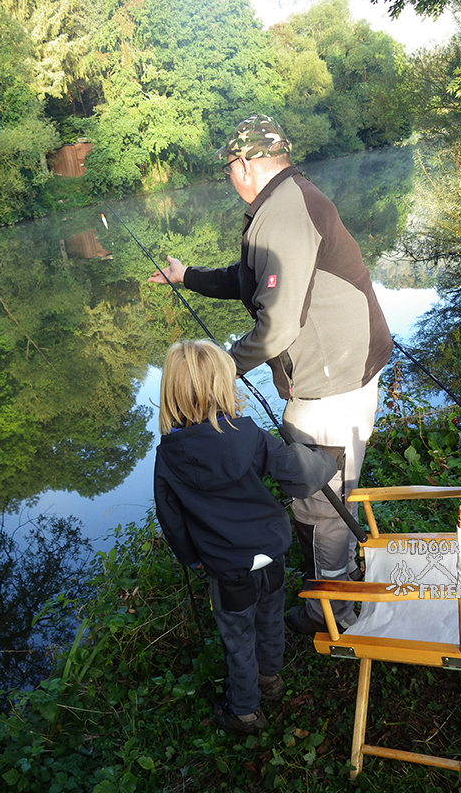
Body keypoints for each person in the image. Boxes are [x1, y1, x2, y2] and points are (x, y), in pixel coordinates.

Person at [149, 114, 394, 635]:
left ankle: (331, 611)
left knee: (321, 498)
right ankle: (340, 579)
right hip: (343, 367)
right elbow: (251, 280)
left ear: (244, 163)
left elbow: (278, 325)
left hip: (333, 380)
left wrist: (218, 372)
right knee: (331, 486)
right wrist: (188, 276)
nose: (228, 177)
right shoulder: (286, 199)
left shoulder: (282, 213)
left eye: (228, 168)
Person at [154, 340, 336, 735]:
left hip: (228, 567)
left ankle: (244, 711)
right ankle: (270, 678)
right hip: (271, 551)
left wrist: (190, 557)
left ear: (171, 393)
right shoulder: (250, 433)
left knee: (238, 637)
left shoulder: (168, 454)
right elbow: (298, 471)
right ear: (224, 385)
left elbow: (170, 518)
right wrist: (325, 459)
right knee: (270, 616)